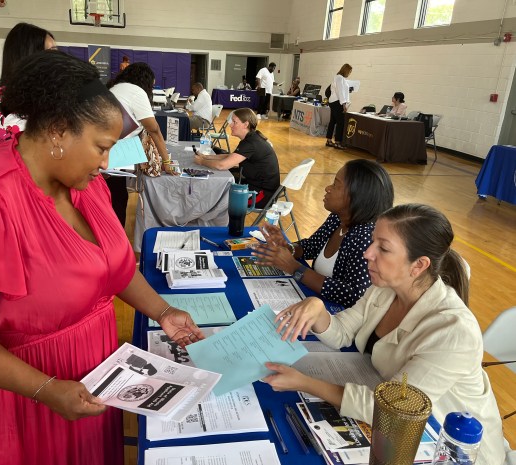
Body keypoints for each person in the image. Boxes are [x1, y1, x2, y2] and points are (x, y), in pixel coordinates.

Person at [0, 51, 204, 465]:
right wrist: (45, 388)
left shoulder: (84, 183)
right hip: (18, 399)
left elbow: (114, 269)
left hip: (84, 385)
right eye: (102, 148)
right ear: (57, 132)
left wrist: (162, 310)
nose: (107, 163)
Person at [263, 204, 505, 465]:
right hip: (399, 423)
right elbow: (342, 332)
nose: (368, 253)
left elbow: (393, 411)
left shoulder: (453, 331)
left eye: (383, 248)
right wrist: (318, 310)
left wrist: (305, 382)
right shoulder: (385, 288)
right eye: (372, 242)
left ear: (419, 265)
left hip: (451, 449)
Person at [253, 159, 394, 308]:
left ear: (356, 196)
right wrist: (289, 249)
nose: (327, 188)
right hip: (314, 301)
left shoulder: (366, 238)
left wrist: (294, 267)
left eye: (335, 185)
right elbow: (312, 246)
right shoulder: (338, 217)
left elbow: (353, 295)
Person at [107, 62, 177, 225]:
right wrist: (166, 162)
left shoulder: (117, 87)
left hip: (106, 149)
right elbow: (154, 130)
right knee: (117, 199)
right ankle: (116, 241)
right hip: (113, 154)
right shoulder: (136, 92)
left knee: (113, 195)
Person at [0, 23, 56, 147]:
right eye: (51, 53)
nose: (58, 59)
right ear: (30, 57)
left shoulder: (39, 95)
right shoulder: (4, 103)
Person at [193, 108, 279, 208]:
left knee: (217, 196)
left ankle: (219, 222)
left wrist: (202, 161)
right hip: (256, 187)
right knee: (217, 187)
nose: (230, 125)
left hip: (263, 196)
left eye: (234, 122)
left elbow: (222, 165)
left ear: (245, 124)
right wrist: (206, 157)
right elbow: (231, 156)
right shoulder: (251, 138)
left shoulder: (251, 143)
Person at [325, 63, 352, 150]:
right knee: (341, 122)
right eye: (349, 71)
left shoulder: (338, 77)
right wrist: (344, 104)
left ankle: (329, 140)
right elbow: (340, 91)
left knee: (333, 121)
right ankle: (337, 142)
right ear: (346, 70)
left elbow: (341, 91)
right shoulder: (340, 78)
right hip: (337, 102)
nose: (349, 73)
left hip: (334, 101)